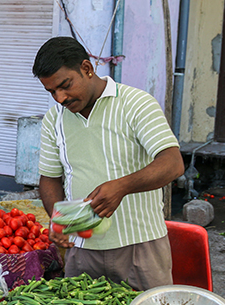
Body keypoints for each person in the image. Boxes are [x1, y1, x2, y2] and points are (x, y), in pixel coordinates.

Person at [33, 36, 185, 291]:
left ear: (87, 68)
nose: (60, 98)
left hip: (140, 247)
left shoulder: (136, 104)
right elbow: (49, 178)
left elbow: (172, 163)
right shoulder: (54, 119)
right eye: (51, 92)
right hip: (82, 250)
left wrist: (121, 186)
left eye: (65, 85)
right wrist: (59, 221)